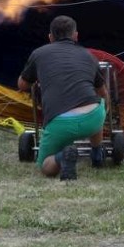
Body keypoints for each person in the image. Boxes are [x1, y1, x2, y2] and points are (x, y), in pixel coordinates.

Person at [17, 15, 108, 180]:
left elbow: (22, 85)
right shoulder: (89, 56)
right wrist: (105, 113)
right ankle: (97, 154)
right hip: (93, 118)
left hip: (60, 123)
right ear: (76, 36)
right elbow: (103, 93)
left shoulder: (39, 53)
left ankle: (61, 157)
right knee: (98, 103)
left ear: (50, 37)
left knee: (46, 165)